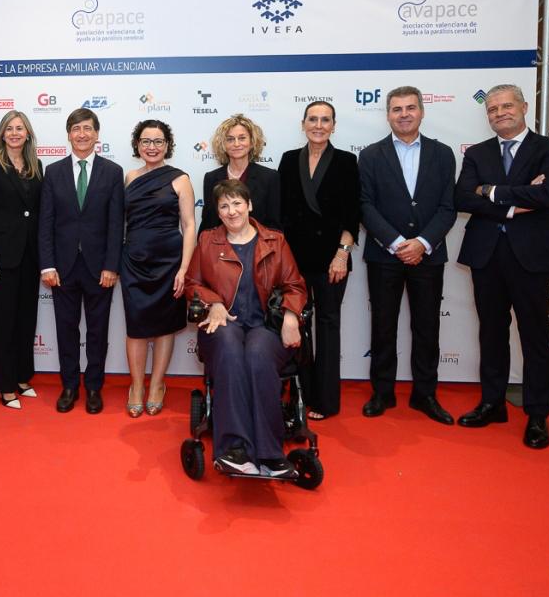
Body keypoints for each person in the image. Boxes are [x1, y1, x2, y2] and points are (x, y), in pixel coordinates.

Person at [454, 84, 549, 449]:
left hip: (532, 254)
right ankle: (492, 403)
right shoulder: (477, 153)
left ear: (523, 107)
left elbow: (546, 195)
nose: (500, 113)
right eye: (492, 109)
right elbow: (462, 197)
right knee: (491, 331)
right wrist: (515, 200)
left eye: (506, 106)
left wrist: (490, 190)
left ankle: (537, 414)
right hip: (486, 253)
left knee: (535, 334)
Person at [186, 179, 307, 477]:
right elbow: (192, 284)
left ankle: (270, 454)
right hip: (223, 324)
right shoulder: (208, 241)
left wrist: (292, 316)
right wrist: (214, 302)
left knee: (257, 355)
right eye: (224, 206)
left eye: (237, 203)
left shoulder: (275, 241)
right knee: (229, 349)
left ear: (249, 205)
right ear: (217, 212)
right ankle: (234, 450)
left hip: (265, 326)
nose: (232, 211)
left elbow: (295, 285)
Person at [358, 86, 457, 424]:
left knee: (427, 328)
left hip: (428, 256)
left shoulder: (442, 154)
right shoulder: (370, 155)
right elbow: (365, 205)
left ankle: (425, 395)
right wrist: (397, 242)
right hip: (385, 256)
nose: (404, 114)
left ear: (421, 112)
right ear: (388, 114)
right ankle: (382, 393)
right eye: (397, 109)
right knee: (382, 327)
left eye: (410, 108)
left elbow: (448, 206)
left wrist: (422, 243)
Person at [39, 107, 124, 414]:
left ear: (97, 134)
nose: (82, 134)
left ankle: (94, 387)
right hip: (61, 268)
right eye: (76, 129)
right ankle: (70, 386)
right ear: (69, 135)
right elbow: (46, 222)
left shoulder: (112, 172)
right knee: (66, 330)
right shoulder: (53, 171)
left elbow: (116, 224)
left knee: (98, 332)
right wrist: (47, 264)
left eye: (88, 128)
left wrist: (112, 265)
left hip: (99, 268)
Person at [278, 100, 360, 420]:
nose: (319, 125)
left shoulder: (346, 161)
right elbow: (282, 213)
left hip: (331, 261)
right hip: (295, 262)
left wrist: (342, 254)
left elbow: (352, 214)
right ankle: (302, 395)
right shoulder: (288, 160)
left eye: (325, 120)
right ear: (303, 124)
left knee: (328, 325)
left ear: (333, 126)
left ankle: (326, 401)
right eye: (313, 119)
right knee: (297, 326)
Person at [120, 120, 195, 417]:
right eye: (146, 141)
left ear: (167, 145)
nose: (152, 147)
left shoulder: (180, 179)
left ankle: (157, 385)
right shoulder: (129, 177)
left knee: (165, 325)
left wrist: (184, 268)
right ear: (137, 145)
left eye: (158, 141)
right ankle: (137, 386)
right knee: (136, 326)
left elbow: (189, 225)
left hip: (169, 262)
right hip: (134, 260)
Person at [0, 111, 44, 410]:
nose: (15, 133)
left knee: (26, 319)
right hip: (2, 256)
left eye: (20, 128)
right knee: (3, 322)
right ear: (2, 134)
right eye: (9, 128)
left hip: (31, 255)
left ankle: (22, 377)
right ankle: (4, 385)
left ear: (28, 134)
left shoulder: (36, 165)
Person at [200, 114, 280, 234]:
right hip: (220, 244)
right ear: (223, 144)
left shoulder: (269, 177)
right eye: (230, 139)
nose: (236, 144)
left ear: (252, 142)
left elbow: (274, 223)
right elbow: (208, 222)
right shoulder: (211, 178)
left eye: (242, 138)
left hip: (259, 243)